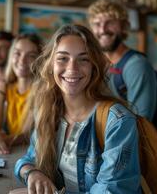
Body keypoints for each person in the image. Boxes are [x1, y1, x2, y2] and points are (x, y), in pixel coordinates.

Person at [14, 25, 140, 193]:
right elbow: (29, 158)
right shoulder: (49, 111)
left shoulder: (118, 121)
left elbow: (110, 190)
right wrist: (33, 173)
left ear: (94, 66)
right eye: (63, 58)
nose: (72, 68)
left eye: (83, 59)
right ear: (51, 65)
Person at [87, 0, 157, 121]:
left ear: (123, 26)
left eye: (110, 22)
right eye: (97, 24)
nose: (103, 29)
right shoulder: (94, 64)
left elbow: (141, 122)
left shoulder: (136, 65)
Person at [0, 33, 42, 155]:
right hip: (10, 151)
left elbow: (26, 134)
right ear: (11, 56)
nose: (22, 60)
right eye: (17, 53)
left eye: (31, 56)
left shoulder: (41, 90)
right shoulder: (4, 86)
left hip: (30, 153)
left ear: (39, 60)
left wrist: (0, 139)